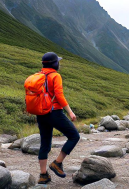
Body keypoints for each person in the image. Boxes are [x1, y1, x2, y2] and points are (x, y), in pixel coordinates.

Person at [37, 52, 80, 184]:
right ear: (55, 64)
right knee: (74, 136)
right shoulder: (55, 76)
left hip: (41, 113)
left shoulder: (38, 75)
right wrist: (70, 112)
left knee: (45, 144)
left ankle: (43, 175)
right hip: (54, 112)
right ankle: (57, 163)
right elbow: (59, 96)